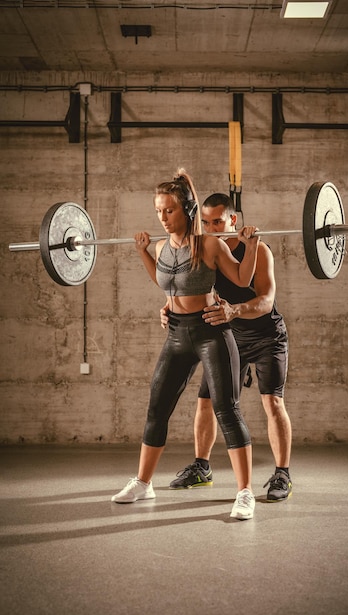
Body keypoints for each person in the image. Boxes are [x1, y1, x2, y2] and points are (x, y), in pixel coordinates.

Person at [112, 170, 260, 520]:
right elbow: (164, 281)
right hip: (176, 334)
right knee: (156, 409)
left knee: (227, 410)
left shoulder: (210, 244)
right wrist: (143, 252)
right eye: (159, 211)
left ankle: (245, 493)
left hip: (210, 332)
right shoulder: (162, 246)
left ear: (187, 211)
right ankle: (144, 483)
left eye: (169, 211)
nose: (163, 218)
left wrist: (251, 246)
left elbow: (242, 278)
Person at [163, 193, 293, 502]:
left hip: (266, 337)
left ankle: (282, 474)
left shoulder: (258, 251)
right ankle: (201, 467)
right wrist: (169, 308)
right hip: (228, 336)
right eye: (205, 222)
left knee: (272, 402)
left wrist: (234, 310)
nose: (210, 228)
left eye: (218, 222)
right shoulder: (207, 252)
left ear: (233, 220)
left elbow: (266, 301)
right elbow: (186, 288)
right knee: (206, 401)